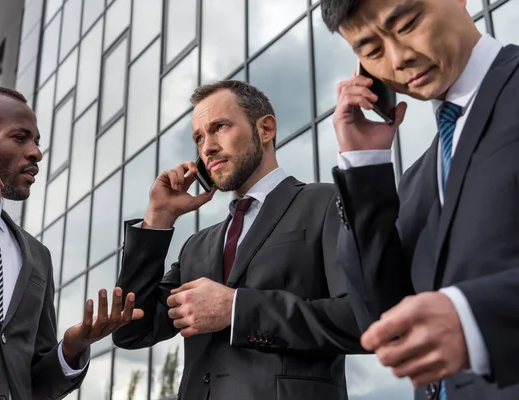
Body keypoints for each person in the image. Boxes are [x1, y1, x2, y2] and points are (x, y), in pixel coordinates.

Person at [112, 80, 364, 400]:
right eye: (199, 138)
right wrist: (158, 218)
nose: (207, 147)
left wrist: (237, 310)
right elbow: (132, 331)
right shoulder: (197, 248)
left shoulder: (326, 202)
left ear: (266, 129)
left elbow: (361, 319)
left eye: (220, 127)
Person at [320, 0, 519, 399]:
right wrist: (364, 165)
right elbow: (379, 317)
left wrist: (477, 318)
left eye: (407, 24)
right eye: (372, 51)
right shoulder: (419, 180)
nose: (398, 59)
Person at [0, 85, 143, 399]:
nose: (36, 152)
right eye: (20, 137)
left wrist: (71, 348)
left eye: (36, 141)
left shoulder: (37, 255)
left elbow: (35, 384)